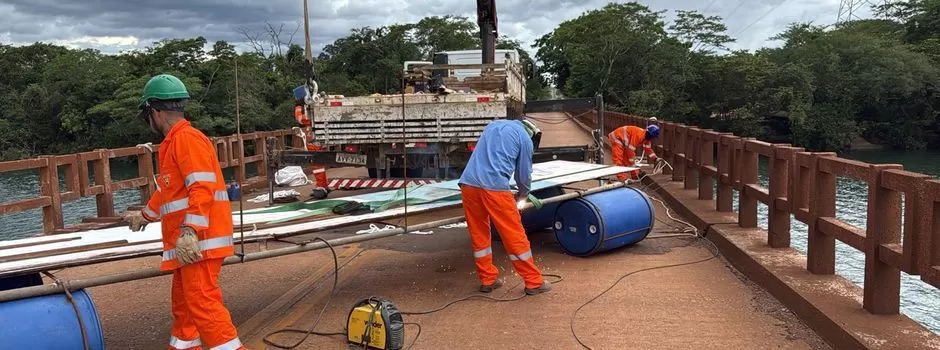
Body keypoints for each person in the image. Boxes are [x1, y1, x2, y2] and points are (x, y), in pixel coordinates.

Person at [122, 74, 245, 350]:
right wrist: (144, 216)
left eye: (147, 116)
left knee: (204, 305)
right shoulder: (176, 142)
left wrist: (190, 231)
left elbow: (201, 187)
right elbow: (169, 192)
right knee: (185, 307)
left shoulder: (186, 139)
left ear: (154, 112)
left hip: (198, 243)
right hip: (191, 245)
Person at [458, 118, 551, 295]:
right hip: (494, 189)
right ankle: (533, 282)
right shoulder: (524, 138)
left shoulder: (492, 126)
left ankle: (487, 279)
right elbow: (524, 175)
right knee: (513, 234)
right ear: (533, 134)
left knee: (479, 234)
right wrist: (523, 195)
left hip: (468, 185)